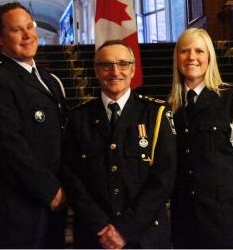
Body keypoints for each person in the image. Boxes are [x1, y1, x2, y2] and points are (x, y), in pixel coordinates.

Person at [61, 40, 177, 248]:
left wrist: (125, 229)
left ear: (133, 69)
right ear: (96, 71)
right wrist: (101, 226)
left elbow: (163, 178)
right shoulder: (78, 117)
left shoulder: (156, 113)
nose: (115, 71)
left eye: (123, 64)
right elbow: (71, 176)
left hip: (145, 236)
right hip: (95, 236)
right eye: (106, 65)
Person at [0, 1, 67, 248]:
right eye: (17, 30)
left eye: (30, 26)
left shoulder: (49, 80)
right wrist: (49, 189)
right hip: (15, 207)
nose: (28, 35)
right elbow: (7, 143)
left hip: (53, 203)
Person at [168, 28, 233, 248]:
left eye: (199, 51)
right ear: (177, 58)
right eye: (184, 51)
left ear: (209, 57)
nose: (191, 57)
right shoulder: (169, 109)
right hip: (187, 223)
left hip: (230, 222)